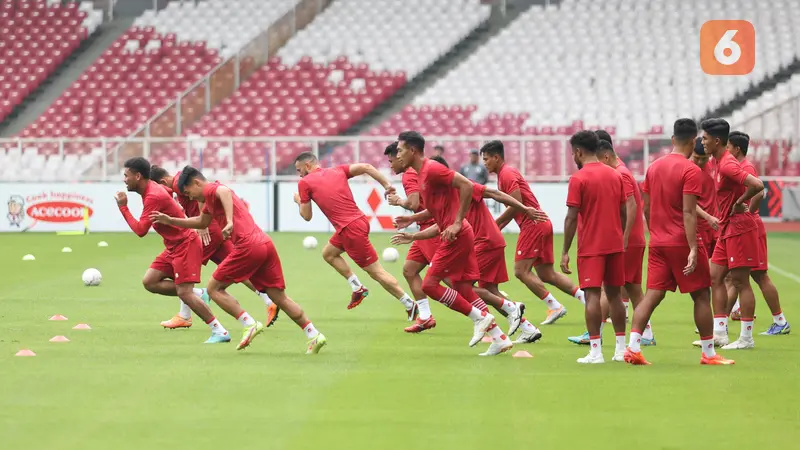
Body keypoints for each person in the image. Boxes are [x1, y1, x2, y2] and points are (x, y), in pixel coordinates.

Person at [151, 167, 327, 354]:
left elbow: (224, 191)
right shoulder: (208, 200)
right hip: (265, 243)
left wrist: (229, 221)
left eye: (188, 193)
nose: (191, 198)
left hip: (248, 245)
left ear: (196, 183)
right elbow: (201, 222)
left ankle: (248, 323)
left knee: (213, 288)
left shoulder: (212, 189)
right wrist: (171, 220)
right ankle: (314, 335)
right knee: (279, 297)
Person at [393, 158, 547, 344]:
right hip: (477, 240)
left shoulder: (460, 186)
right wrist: (412, 225)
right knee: (469, 287)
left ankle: (504, 317)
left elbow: (493, 193)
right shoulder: (441, 194)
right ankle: (516, 329)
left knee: (462, 287)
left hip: (484, 242)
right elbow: (438, 218)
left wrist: (524, 209)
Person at [623, 119, 734, 366]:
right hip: (681, 242)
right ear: (693, 140)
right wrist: (694, 247)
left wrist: (656, 233)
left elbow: (647, 206)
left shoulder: (653, 167)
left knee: (652, 295)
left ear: (673, 139)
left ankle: (632, 348)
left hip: (659, 241)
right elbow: (688, 212)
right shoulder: (691, 170)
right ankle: (708, 353)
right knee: (702, 296)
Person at [391, 130, 511, 356]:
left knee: (430, 285)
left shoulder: (431, 169)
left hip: (456, 235)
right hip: (452, 232)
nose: (397, 156)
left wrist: (457, 222)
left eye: (399, 151)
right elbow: (436, 215)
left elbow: (466, 185)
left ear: (412, 150)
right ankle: (499, 338)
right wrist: (414, 225)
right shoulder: (422, 175)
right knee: (463, 288)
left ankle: (482, 317)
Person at [115, 157, 231, 345]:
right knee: (150, 281)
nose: (124, 179)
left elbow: (140, 231)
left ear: (138, 176)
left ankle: (219, 330)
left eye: (126, 175)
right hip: (173, 245)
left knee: (184, 292)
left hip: (185, 244)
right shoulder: (154, 188)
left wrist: (123, 207)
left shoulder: (152, 196)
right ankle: (199, 294)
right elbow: (168, 191)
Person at [149, 166, 279, 329]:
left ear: (161, 182)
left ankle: (186, 314)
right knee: (236, 267)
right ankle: (268, 299)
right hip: (215, 229)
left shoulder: (176, 184)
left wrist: (202, 225)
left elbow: (201, 195)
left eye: (155, 188)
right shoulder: (179, 179)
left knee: (179, 266)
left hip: (207, 232)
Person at [293, 153, 419, 321]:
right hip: (359, 221)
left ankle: (409, 303)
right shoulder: (337, 171)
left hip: (349, 230)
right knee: (328, 254)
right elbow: (366, 167)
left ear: (307, 165)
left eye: (299, 170)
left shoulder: (304, 183)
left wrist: (299, 201)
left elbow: (307, 216)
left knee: (376, 272)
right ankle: (357, 287)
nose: (299, 174)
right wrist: (387, 185)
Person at [481, 140, 586, 328]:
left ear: (496, 157)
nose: (485, 163)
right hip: (541, 222)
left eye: (487, 159)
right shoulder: (504, 174)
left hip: (533, 225)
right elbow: (514, 206)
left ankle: (554, 306)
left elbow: (516, 202)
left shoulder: (507, 174)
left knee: (521, 271)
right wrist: (496, 227)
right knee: (547, 273)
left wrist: (494, 226)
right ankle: (588, 300)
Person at [560, 131, 628, 364]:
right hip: (614, 243)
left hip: (591, 246)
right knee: (615, 296)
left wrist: (565, 250)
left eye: (573, 153)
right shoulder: (614, 175)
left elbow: (571, 217)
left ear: (578, 152)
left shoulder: (578, 179)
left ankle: (596, 352)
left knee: (592, 297)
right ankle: (620, 350)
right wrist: (620, 235)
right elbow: (623, 211)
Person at [701, 118, 764, 350]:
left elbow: (757, 185)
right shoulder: (718, 162)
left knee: (740, 281)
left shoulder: (727, 164)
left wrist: (740, 202)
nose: (702, 141)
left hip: (739, 226)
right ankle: (719, 333)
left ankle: (746, 338)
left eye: (705, 138)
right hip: (727, 227)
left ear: (717, 140)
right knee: (715, 276)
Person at [723, 131, 790, 335]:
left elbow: (760, 191)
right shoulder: (740, 166)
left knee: (757, 276)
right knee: (737, 276)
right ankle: (721, 322)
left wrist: (748, 210)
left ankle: (780, 321)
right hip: (746, 226)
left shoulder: (746, 167)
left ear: (736, 148)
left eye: (728, 146)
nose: (726, 150)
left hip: (749, 227)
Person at [384, 142, 438, 333]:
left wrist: (398, 201)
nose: (391, 165)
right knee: (409, 270)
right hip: (425, 228)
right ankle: (425, 317)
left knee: (450, 281)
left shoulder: (408, 175)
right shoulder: (417, 171)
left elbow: (415, 204)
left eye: (392, 160)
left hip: (431, 229)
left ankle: (492, 311)